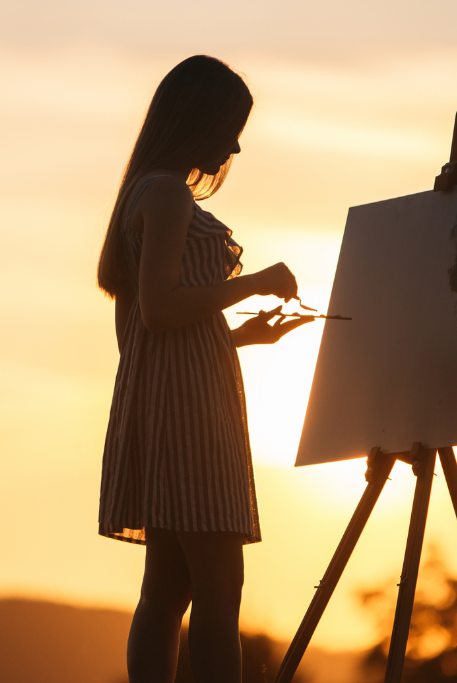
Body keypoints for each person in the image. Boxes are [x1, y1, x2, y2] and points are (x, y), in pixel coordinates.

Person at [96, 55, 313, 683]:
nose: (235, 144)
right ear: (200, 119)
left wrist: (233, 339)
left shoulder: (147, 193)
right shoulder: (165, 194)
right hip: (193, 418)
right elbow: (162, 311)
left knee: (166, 589)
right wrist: (256, 284)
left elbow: (140, 334)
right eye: (231, 126)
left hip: (167, 405)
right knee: (220, 592)